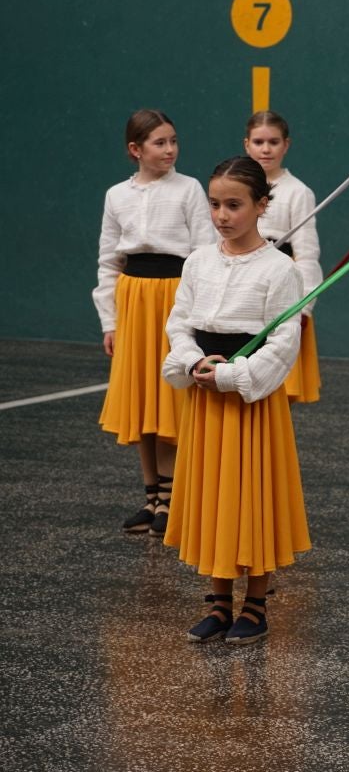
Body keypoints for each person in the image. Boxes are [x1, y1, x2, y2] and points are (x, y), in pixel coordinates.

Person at [162, 156, 310, 645]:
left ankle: (256, 604)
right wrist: (190, 362)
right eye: (215, 204)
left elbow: (283, 344)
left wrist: (231, 375)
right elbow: (180, 322)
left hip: (249, 404)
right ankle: (218, 601)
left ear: (262, 206)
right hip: (206, 403)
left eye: (234, 205)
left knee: (253, 496)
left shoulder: (279, 270)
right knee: (216, 496)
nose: (222, 215)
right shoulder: (198, 262)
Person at [94, 109, 214, 535]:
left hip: (173, 296)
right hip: (134, 300)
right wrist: (110, 320)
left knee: (169, 398)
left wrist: (198, 313)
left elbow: (204, 252)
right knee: (141, 400)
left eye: (173, 141)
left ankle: (172, 498)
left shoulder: (189, 189)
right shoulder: (116, 196)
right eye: (160, 143)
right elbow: (109, 261)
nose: (170, 149)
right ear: (135, 150)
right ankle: (152, 498)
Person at [245, 109, 323, 403]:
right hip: (245, 287)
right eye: (259, 141)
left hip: (282, 292)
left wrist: (304, 307)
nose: (266, 149)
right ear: (246, 144)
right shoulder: (237, 186)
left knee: (278, 387)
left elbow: (307, 253)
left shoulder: (298, 192)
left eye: (273, 142)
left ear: (286, 145)